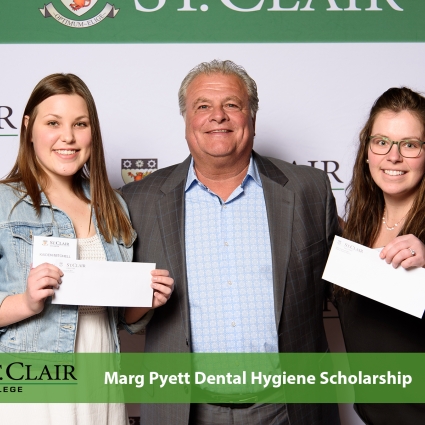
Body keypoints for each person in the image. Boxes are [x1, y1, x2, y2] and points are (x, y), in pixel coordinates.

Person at [122, 59, 340, 425]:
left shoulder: (309, 190)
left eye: (232, 105)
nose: (218, 116)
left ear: (252, 117)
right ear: (186, 119)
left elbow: (348, 290)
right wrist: (136, 304)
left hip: (289, 409)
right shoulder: (137, 201)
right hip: (184, 410)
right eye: (203, 106)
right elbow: (117, 316)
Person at [0, 73, 174, 425]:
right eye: (53, 123)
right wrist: (28, 302)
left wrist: (145, 300)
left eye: (80, 124)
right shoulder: (5, 203)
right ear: (28, 127)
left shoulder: (112, 205)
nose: (68, 136)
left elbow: (120, 320)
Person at [336, 87, 425, 425]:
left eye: (410, 145)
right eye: (382, 142)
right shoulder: (355, 230)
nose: (393, 156)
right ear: (367, 152)